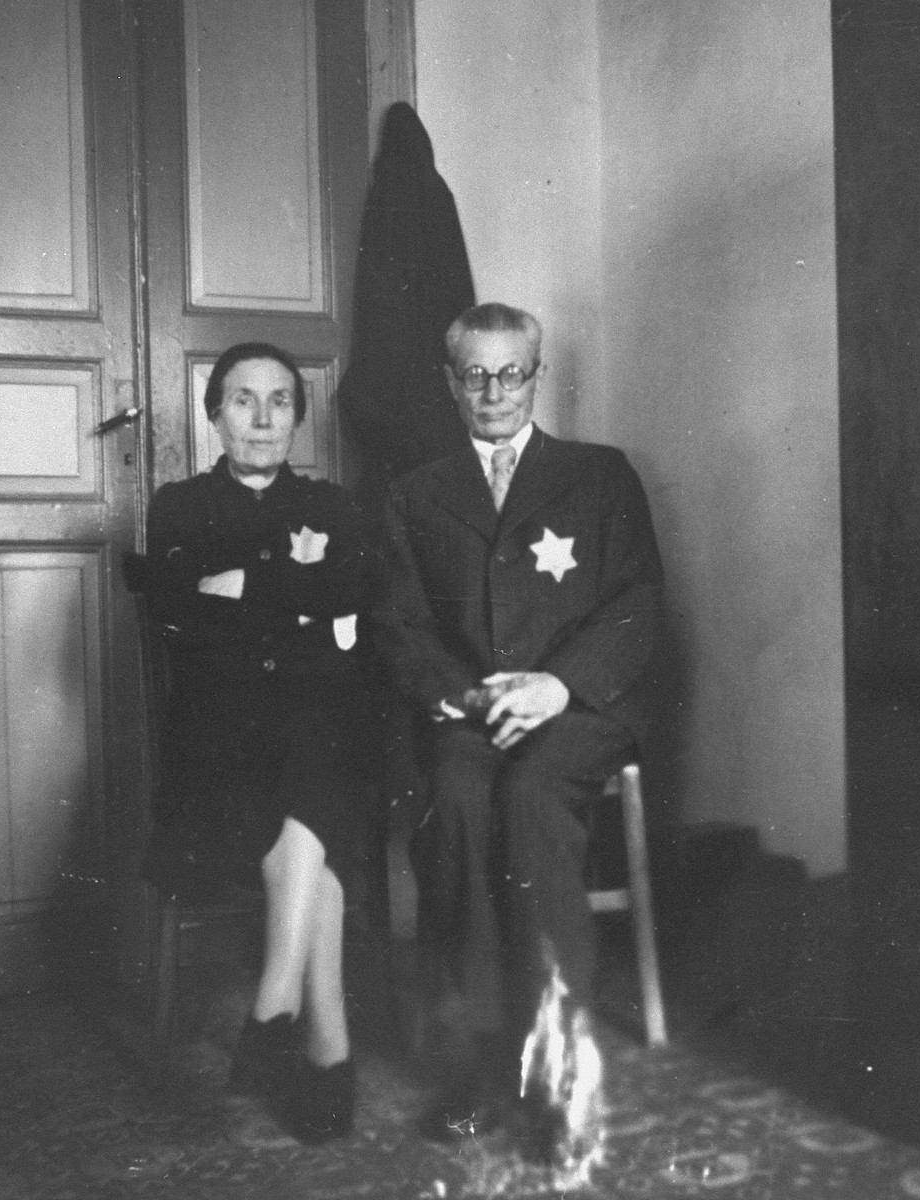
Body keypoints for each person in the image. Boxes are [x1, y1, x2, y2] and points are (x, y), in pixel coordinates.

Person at [374, 302, 664, 1136]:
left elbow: (639, 604)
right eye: (474, 373)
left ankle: (559, 1068)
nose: (493, 390)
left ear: (538, 376)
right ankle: (472, 1065)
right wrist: (469, 695)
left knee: (534, 799)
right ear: (449, 382)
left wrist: (559, 687)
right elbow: (400, 625)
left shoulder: (600, 474)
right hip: (471, 708)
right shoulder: (416, 493)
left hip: (579, 707)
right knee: (461, 797)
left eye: (511, 372)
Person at [140, 342, 381, 1142]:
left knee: (317, 738)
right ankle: (323, 1044)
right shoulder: (177, 504)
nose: (263, 418)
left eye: (280, 401)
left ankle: (281, 1014)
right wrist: (298, 596)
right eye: (244, 400)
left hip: (309, 725)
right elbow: (183, 614)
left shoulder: (334, 505)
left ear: (298, 418)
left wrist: (246, 581)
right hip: (216, 742)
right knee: (320, 798)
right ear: (213, 413)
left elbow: (354, 595)